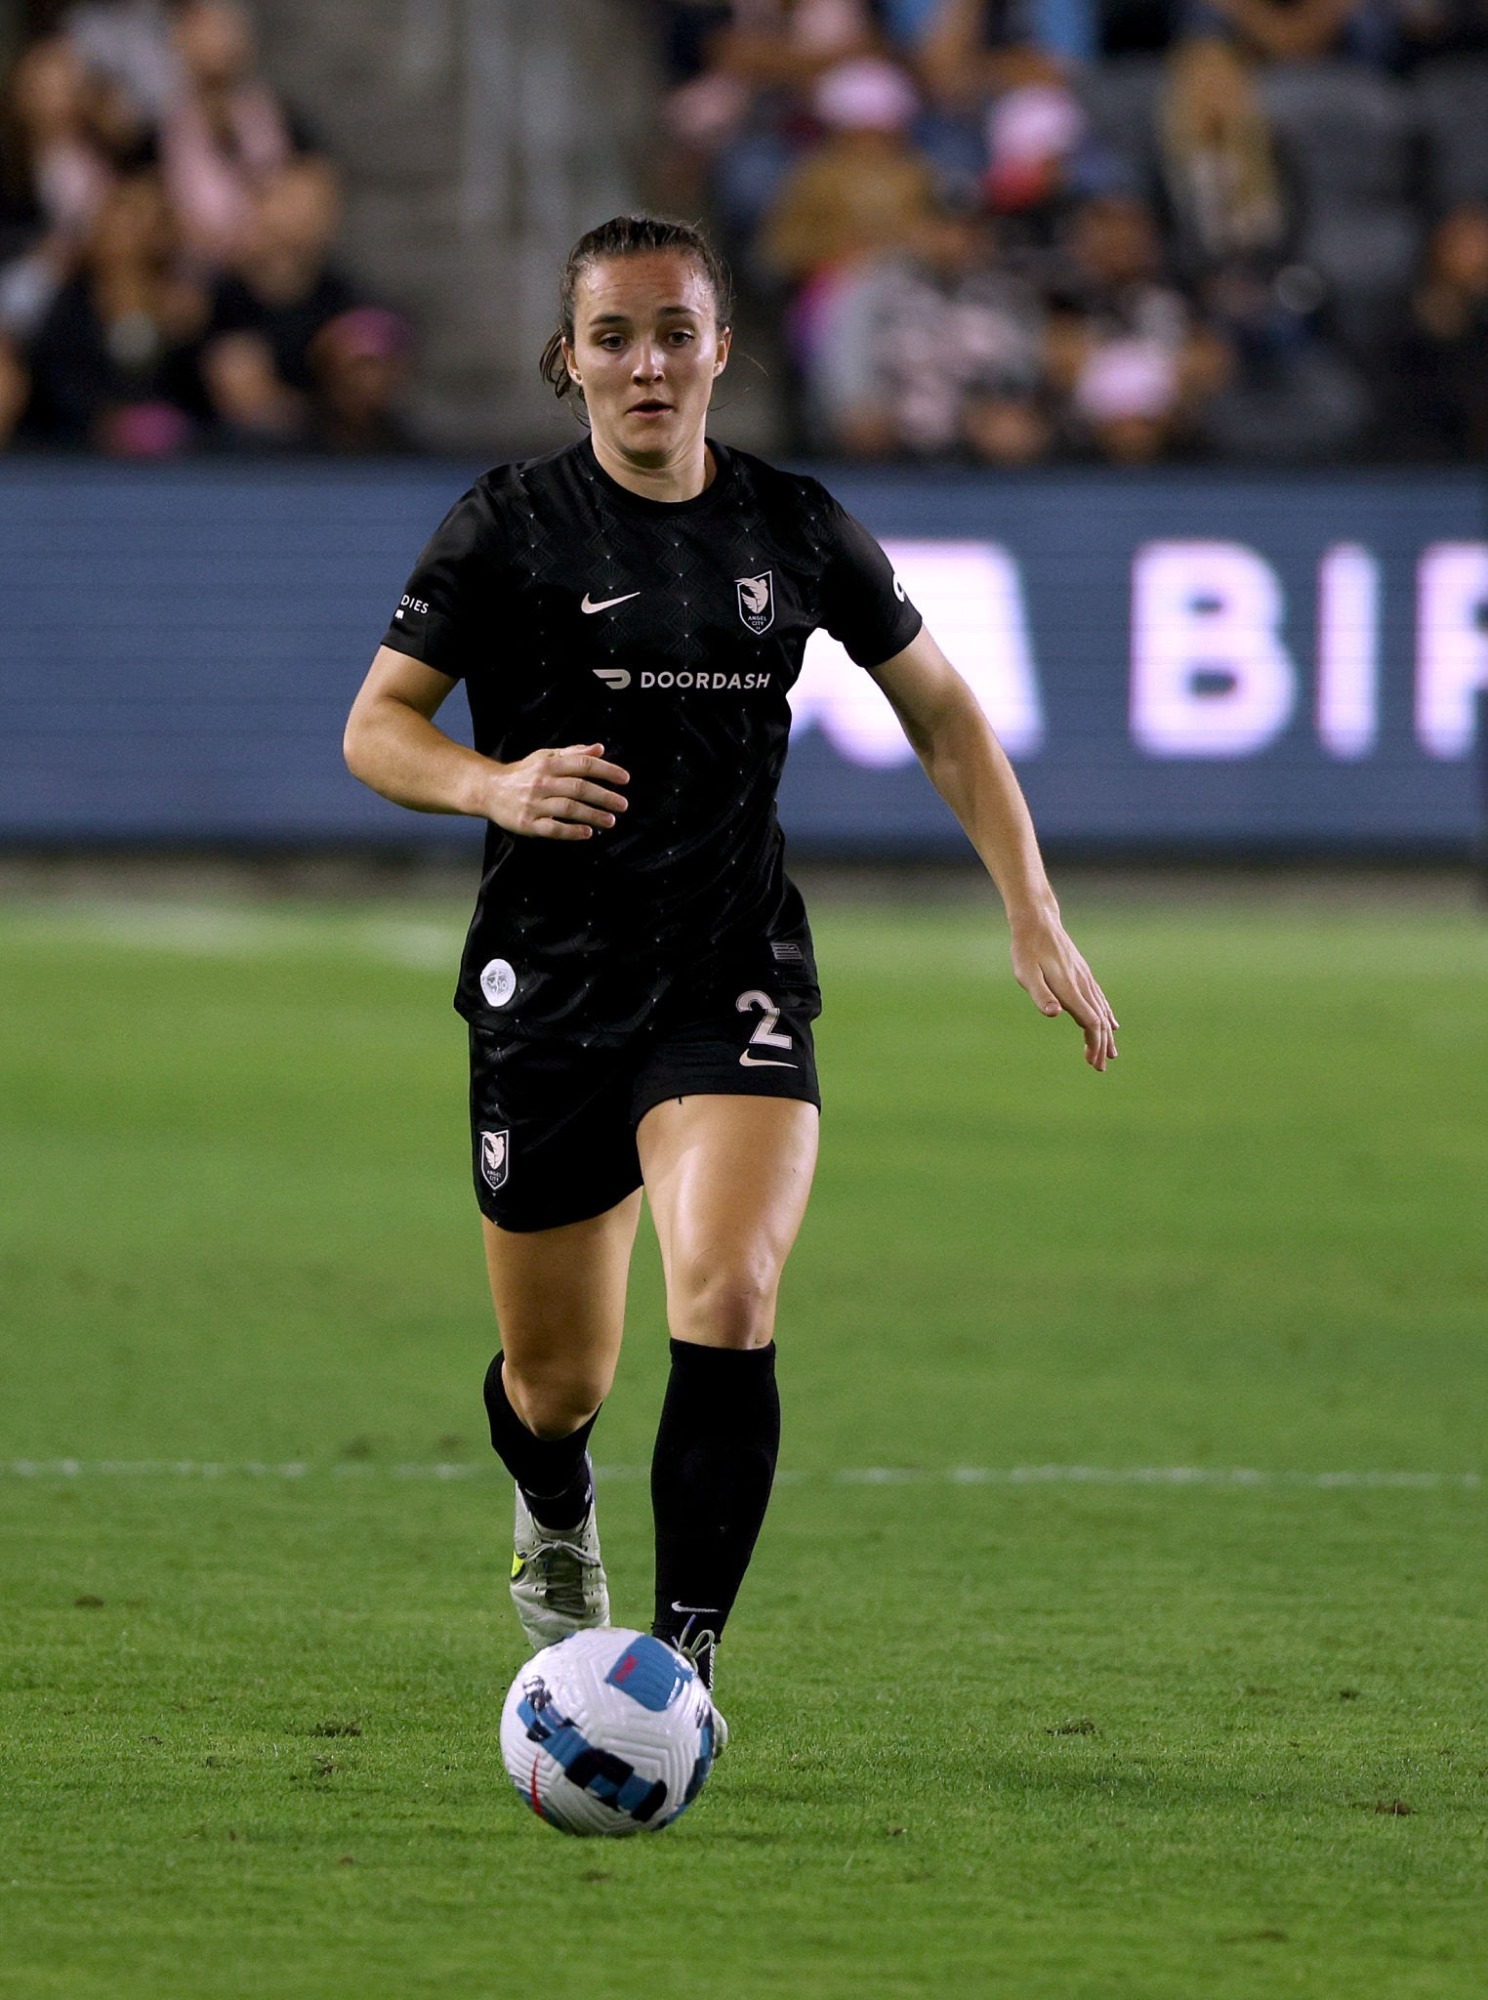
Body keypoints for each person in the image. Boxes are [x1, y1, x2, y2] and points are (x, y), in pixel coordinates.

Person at [342, 214, 1117, 1738]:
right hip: (548, 987)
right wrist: (492, 785)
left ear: (722, 349)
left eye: (674, 332)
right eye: (613, 336)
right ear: (567, 360)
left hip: (729, 966)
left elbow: (948, 715)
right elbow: (377, 728)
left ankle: (677, 1672)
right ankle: (553, 1501)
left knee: (734, 1287)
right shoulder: (505, 526)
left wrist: (1030, 906)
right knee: (557, 1380)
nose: (646, 363)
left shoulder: (795, 526)